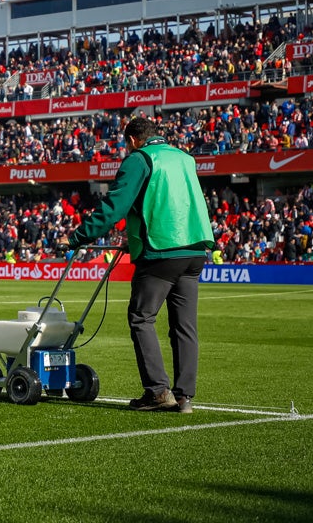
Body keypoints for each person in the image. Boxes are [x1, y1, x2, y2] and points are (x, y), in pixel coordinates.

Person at [67, 116, 213, 413]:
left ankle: (159, 392)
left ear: (133, 140)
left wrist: (79, 237)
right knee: (184, 327)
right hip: (195, 248)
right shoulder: (184, 157)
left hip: (162, 250)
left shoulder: (139, 159)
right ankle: (185, 396)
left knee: (141, 318)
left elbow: (114, 207)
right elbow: (170, 202)